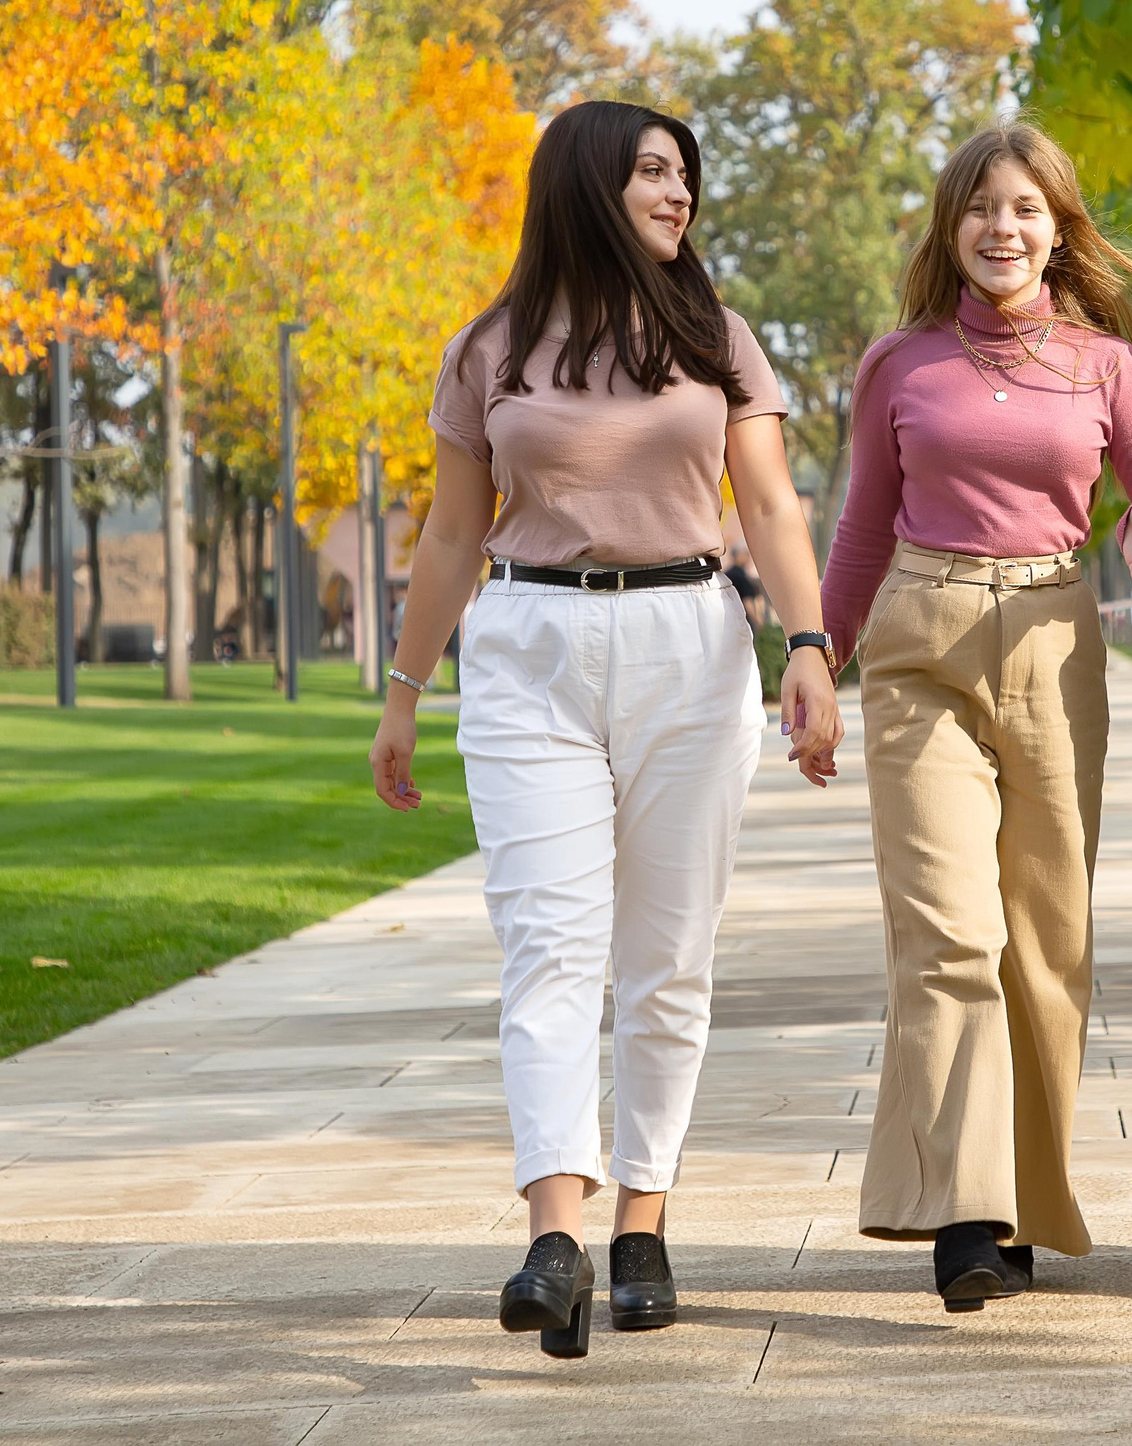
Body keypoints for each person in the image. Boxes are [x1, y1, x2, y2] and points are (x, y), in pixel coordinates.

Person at [366, 100, 843, 1361]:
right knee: (546, 949)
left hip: (690, 640)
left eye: (686, 174)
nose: (678, 193)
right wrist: (404, 692)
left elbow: (772, 508)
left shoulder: (717, 337)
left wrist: (808, 646)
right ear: (584, 181)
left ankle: (644, 1222)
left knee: (666, 958)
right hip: (527, 649)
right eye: (650, 170)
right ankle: (553, 1237)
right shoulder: (493, 348)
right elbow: (454, 534)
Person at [818, 121, 1132, 1311]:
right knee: (949, 935)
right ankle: (965, 1214)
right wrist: (816, 655)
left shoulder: (1106, 366)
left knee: (1045, 940)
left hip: (1050, 636)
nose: (1001, 229)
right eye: (979, 208)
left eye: (1024, 208)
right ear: (951, 228)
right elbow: (864, 529)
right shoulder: (900, 364)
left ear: (1058, 227)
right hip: (919, 642)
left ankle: (1024, 1201)